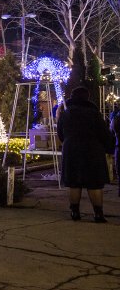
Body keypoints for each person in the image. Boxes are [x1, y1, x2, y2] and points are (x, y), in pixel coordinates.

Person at [57, 87, 114, 222]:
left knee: (74, 182)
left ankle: (75, 212)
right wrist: (109, 149)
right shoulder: (94, 113)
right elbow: (104, 133)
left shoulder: (66, 113)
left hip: (71, 150)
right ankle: (98, 214)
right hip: (92, 150)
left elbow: (60, 134)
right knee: (94, 183)